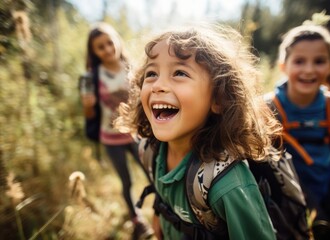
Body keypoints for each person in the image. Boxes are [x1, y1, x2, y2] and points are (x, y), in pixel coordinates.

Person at [114, 23, 282, 240]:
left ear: (218, 99)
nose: (158, 85)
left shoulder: (227, 184)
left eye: (179, 72)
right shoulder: (150, 151)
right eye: (152, 73)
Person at [272, 24, 330, 238]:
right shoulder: (269, 108)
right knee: (312, 228)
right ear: (283, 66)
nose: (309, 70)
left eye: (319, 61)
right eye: (299, 61)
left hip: (328, 180)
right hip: (290, 189)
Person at [80, 22, 153, 239]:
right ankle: (137, 220)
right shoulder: (90, 77)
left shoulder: (135, 67)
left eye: (110, 43)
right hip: (110, 138)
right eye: (100, 47)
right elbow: (90, 116)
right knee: (127, 181)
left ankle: (165, 211)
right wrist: (87, 106)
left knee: (152, 174)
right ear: (94, 52)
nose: (108, 49)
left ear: (117, 41)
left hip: (137, 134)